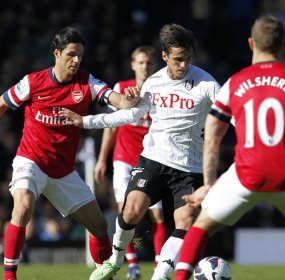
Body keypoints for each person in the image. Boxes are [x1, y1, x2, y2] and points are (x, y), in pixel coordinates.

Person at [172, 15, 285, 280]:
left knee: (202, 224)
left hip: (246, 175)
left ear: (251, 43)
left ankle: (179, 277)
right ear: (284, 45)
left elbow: (213, 135)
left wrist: (208, 183)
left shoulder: (234, 83)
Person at [60, 23, 221, 280]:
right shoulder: (154, 84)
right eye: (178, 59)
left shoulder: (207, 84)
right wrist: (85, 121)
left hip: (188, 168)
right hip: (154, 160)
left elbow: (231, 114)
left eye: (188, 59)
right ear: (166, 56)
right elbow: (126, 116)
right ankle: (115, 259)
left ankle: (162, 273)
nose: (184, 65)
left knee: (185, 223)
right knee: (132, 210)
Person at [0, 26, 139, 280]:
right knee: (23, 206)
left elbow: (116, 99)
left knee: (99, 227)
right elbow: (2, 103)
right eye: (71, 55)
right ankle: (9, 276)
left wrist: (129, 99)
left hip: (63, 171)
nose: (76, 61)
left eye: (80, 56)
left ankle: (106, 277)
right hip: (31, 160)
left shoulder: (87, 82)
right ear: (56, 54)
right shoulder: (33, 82)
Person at [94, 45, 167, 280]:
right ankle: (132, 263)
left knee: (158, 216)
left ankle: (159, 265)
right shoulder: (121, 89)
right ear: (133, 64)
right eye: (141, 62)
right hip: (124, 159)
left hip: (152, 159)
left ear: (155, 65)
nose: (145, 66)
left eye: (149, 63)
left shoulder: (162, 89)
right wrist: (102, 159)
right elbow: (111, 125)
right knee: (126, 212)